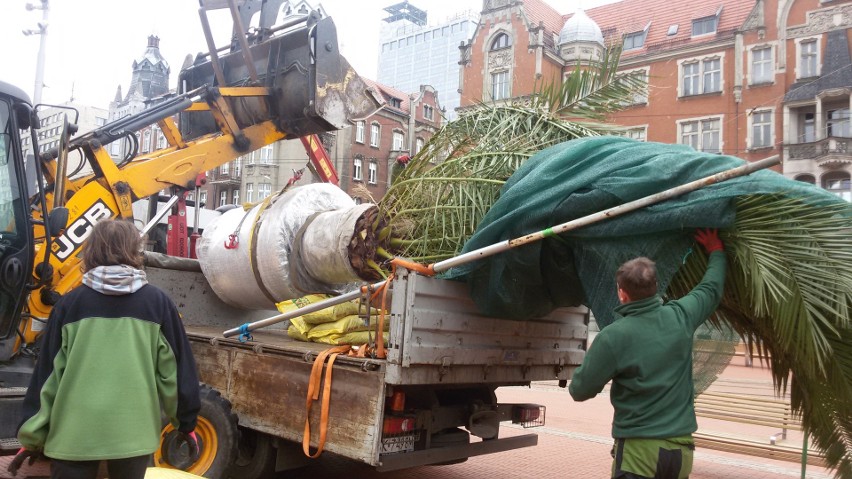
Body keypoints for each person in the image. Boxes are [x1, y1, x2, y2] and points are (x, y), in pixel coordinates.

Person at [8, 219, 201, 479]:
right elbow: (175, 375)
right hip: (132, 438)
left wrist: (31, 437)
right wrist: (186, 423)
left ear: (91, 252)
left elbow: (47, 378)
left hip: (73, 437)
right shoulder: (158, 304)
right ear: (135, 251)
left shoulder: (69, 305)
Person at [569, 228, 726, 479]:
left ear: (621, 292)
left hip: (639, 454)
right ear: (655, 286)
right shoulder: (681, 316)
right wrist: (715, 249)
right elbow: (711, 287)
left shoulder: (613, 336)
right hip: (680, 453)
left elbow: (580, 390)